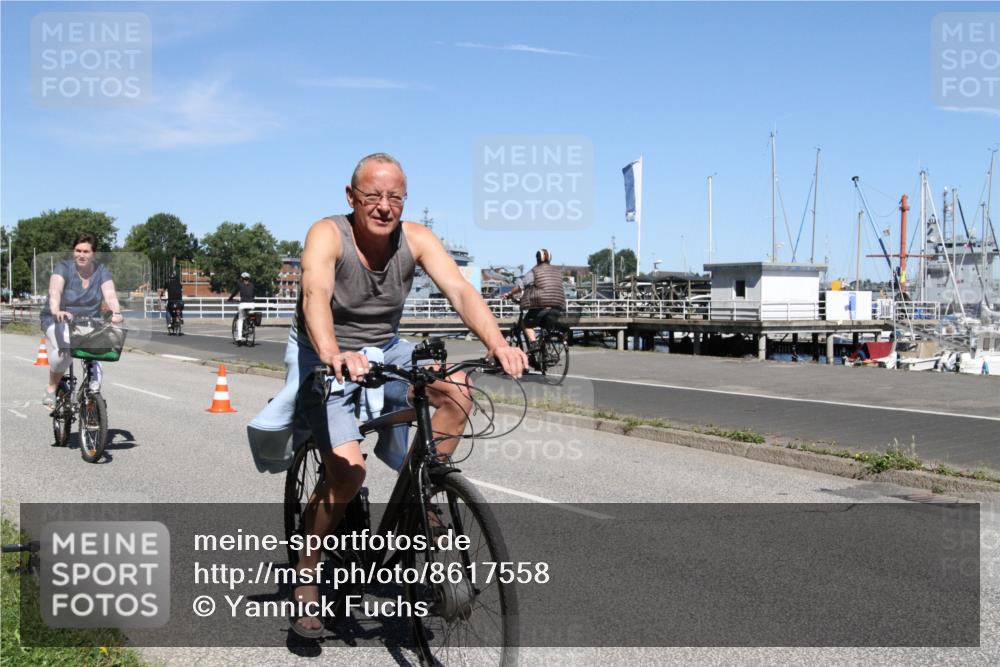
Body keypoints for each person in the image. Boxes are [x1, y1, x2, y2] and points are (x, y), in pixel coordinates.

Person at [268, 152, 526, 637]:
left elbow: (462, 291)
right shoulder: (327, 233)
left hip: (386, 347)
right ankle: (306, 574)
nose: (385, 206)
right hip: (325, 352)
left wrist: (497, 342)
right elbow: (314, 295)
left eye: (395, 197)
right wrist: (332, 353)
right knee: (347, 473)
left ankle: (421, 492)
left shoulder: (416, 238)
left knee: (455, 385)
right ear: (352, 197)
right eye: (373, 196)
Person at [40, 233, 124, 406]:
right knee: (65, 351)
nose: (81, 255)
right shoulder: (63, 267)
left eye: (86, 251)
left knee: (96, 353)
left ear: (93, 254)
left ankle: (93, 399)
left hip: (88, 322)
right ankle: (51, 387)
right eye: (78, 250)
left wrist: (116, 312)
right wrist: (57, 310)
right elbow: (55, 291)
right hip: (58, 320)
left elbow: (110, 294)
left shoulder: (101, 271)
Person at [504, 249, 567, 363]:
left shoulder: (535, 271)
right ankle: (544, 352)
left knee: (526, 324)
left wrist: (509, 294)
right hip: (558, 306)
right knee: (544, 327)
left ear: (537, 259)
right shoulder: (557, 272)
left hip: (541, 305)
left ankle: (533, 344)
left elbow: (520, 286)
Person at [228, 272, 256, 342]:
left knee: (240, 319)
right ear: (249, 278)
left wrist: (230, 298)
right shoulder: (252, 285)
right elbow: (253, 294)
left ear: (242, 278)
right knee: (247, 316)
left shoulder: (240, 284)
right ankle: (248, 325)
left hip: (243, 304)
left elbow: (234, 292)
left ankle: (239, 337)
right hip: (252, 304)